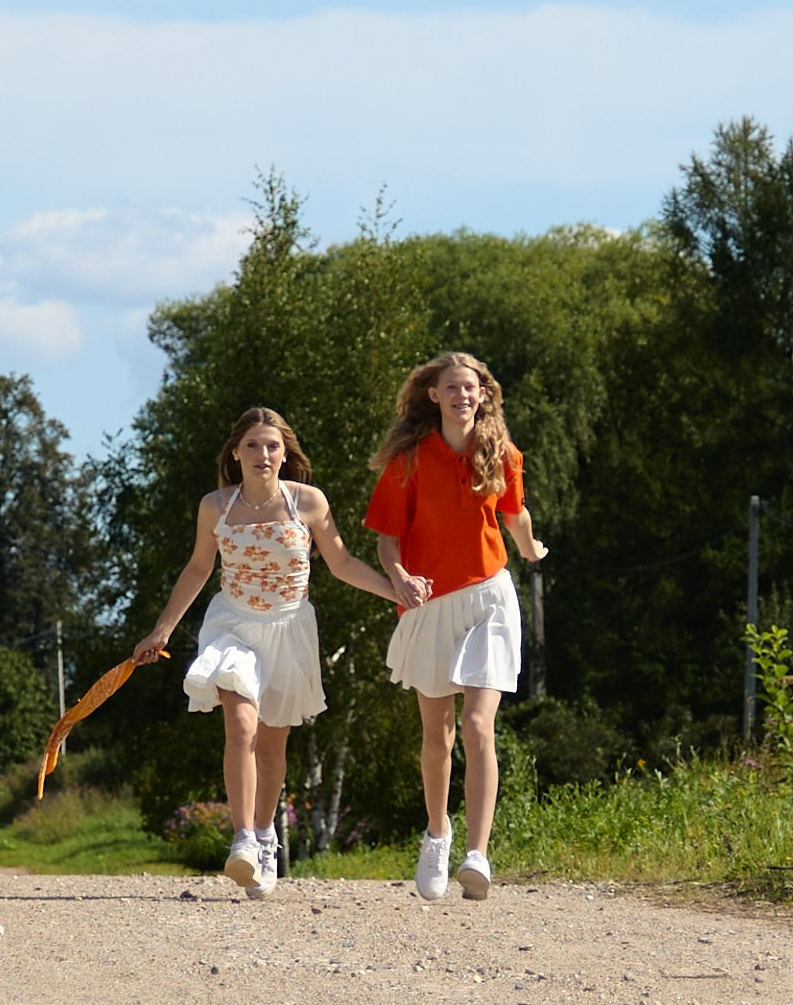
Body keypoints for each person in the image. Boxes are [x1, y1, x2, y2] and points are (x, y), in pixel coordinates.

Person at [135, 406, 415, 896]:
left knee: (271, 745)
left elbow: (343, 562)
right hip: (232, 625)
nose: (262, 454)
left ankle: (265, 835)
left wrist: (397, 592)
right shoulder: (215, 506)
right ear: (235, 453)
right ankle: (242, 839)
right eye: (252, 446)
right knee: (240, 724)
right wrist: (161, 629)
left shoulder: (308, 502)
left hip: (289, 629)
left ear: (285, 453)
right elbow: (199, 567)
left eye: (272, 446)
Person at [365, 352, 547, 904]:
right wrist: (397, 576)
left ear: (483, 395)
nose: (463, 395)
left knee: (476, 724)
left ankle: (478, 854)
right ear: (434, 396)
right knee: (437, 733)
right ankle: (437, 836)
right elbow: (387, 537)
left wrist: (528, 548)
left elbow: (514, 513)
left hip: (489, 598)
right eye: (452, 388)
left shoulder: (502, 455)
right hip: (429, 605)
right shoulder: (410, 461)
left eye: (472, 388)